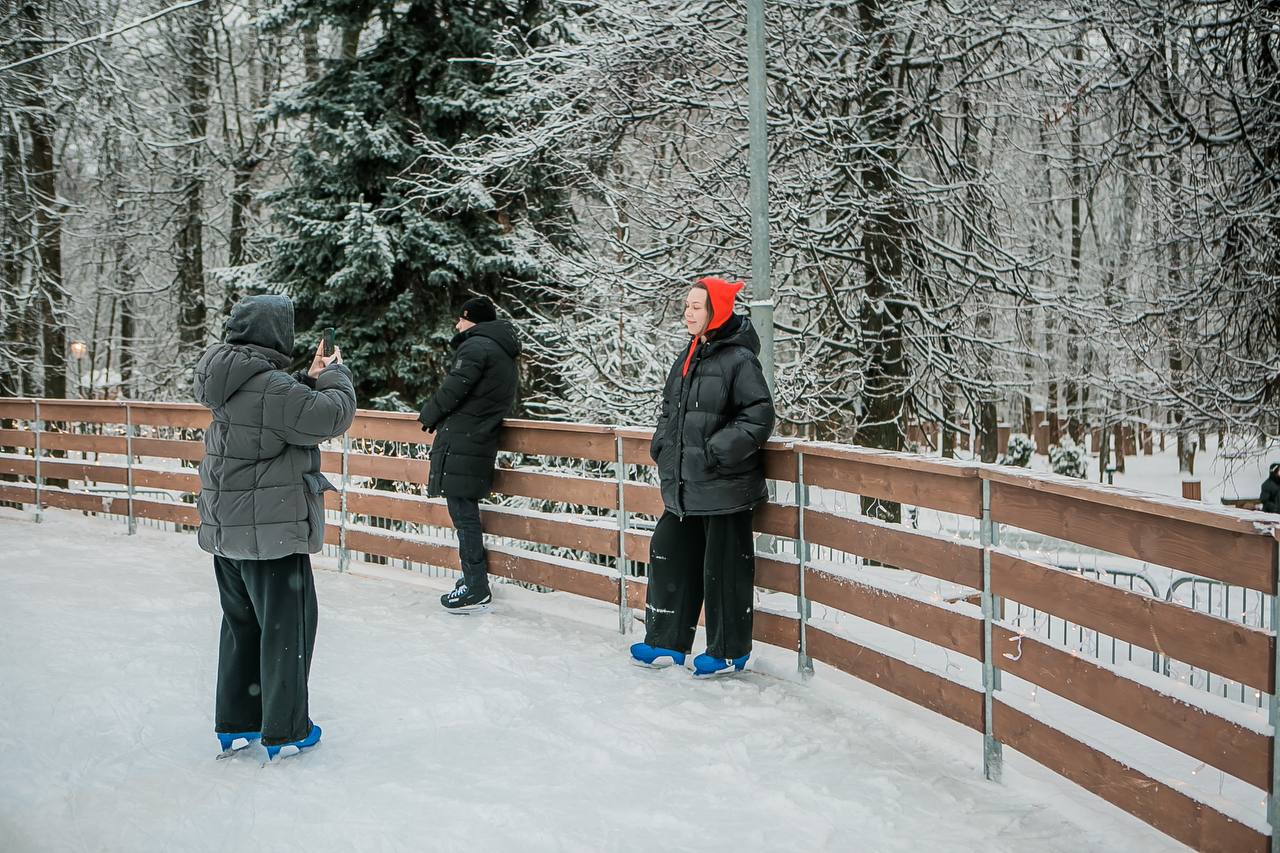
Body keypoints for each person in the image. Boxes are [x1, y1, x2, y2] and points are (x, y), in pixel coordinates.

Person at [194, 295, 356, 761]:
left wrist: (307, 378)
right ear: (275, 336)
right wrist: (336, 376)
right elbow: (329, 415)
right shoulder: (271, 388)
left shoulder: (227, 377)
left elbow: (272, 410)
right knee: (288, 629)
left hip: (229, 534)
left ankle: (236, 721)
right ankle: (286, 731)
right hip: (271, 536)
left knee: (242, 625)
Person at [630, 276, 775, 677]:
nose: (688, 312)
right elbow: (668, 411)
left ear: (718, 310)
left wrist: (716, 452)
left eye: (696, 306)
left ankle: (729, 651)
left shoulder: (739, 359)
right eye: (687, 305)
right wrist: (662, 445)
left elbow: (759, 414)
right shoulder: (689, 355)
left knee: (724, 570)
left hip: (725, 487)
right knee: (669, 555)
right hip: (684, 487)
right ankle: (666, 644)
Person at [418, 296, 521, 613]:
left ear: (473, 321)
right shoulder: (500, 349)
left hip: (466, 439)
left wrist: (429, 415)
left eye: (461, 320)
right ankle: (472, 579)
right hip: (477, 437)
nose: (457, 325)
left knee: (464, 516)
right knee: (465, 514)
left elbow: (454, 387)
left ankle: (476, 586)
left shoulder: (477, 346)